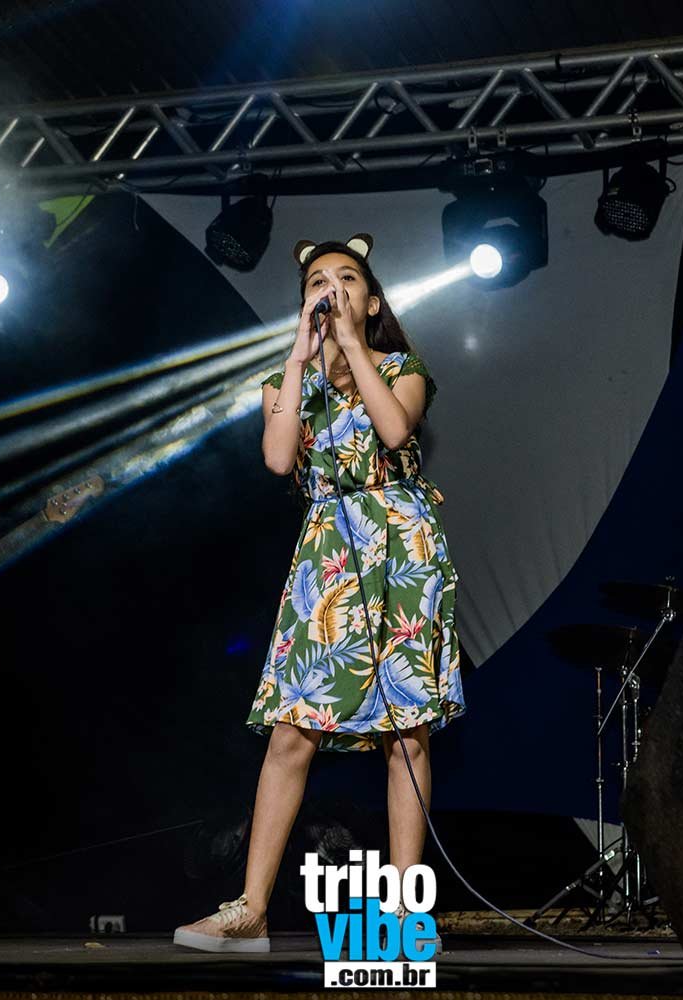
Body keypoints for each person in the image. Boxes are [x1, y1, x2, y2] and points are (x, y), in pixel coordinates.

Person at [174, 234, 465, 953]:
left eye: (348, 278)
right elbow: (279, 460)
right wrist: (300, 358)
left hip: (401, 550)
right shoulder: (287, 382)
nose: (331, 287)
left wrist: (353, 345)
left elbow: (393, 429)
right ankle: (251, 910)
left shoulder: (403, 368)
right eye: (317, 281)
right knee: (290, 730)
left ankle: (404, 917)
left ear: (372, 302)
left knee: (406, 734)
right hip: (328, 556)